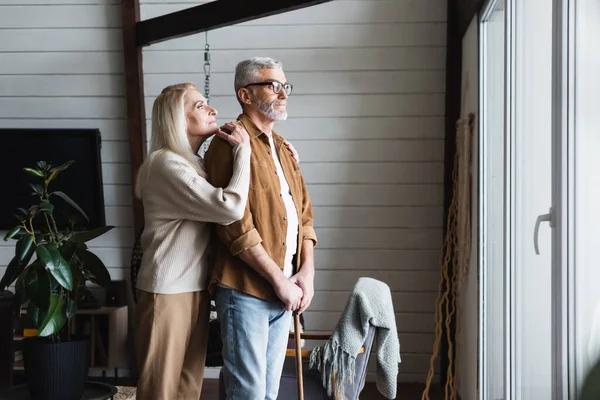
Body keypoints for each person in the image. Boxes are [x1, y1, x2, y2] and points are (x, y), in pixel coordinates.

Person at [204, 57, 318, 400]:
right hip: (245, 291)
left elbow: (305, 216)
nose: (282, 93)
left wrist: (306, 274)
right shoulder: (228, 144)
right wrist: (280, 280)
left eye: (285, 85)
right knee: (248, 394)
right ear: (246, 94)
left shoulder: (283, 149)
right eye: (272, 85)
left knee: (269, 393)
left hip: (285, 291)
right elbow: (233, 224)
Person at [133, 82, 252, 400]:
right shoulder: (166, 164)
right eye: (200, 106)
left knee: (187, 387)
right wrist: (245, 152)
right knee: (161, 388)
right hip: (166, 291)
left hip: (192, 288)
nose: (212, 109)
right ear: (177, 118)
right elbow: (229, 208)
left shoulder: (194, 165)